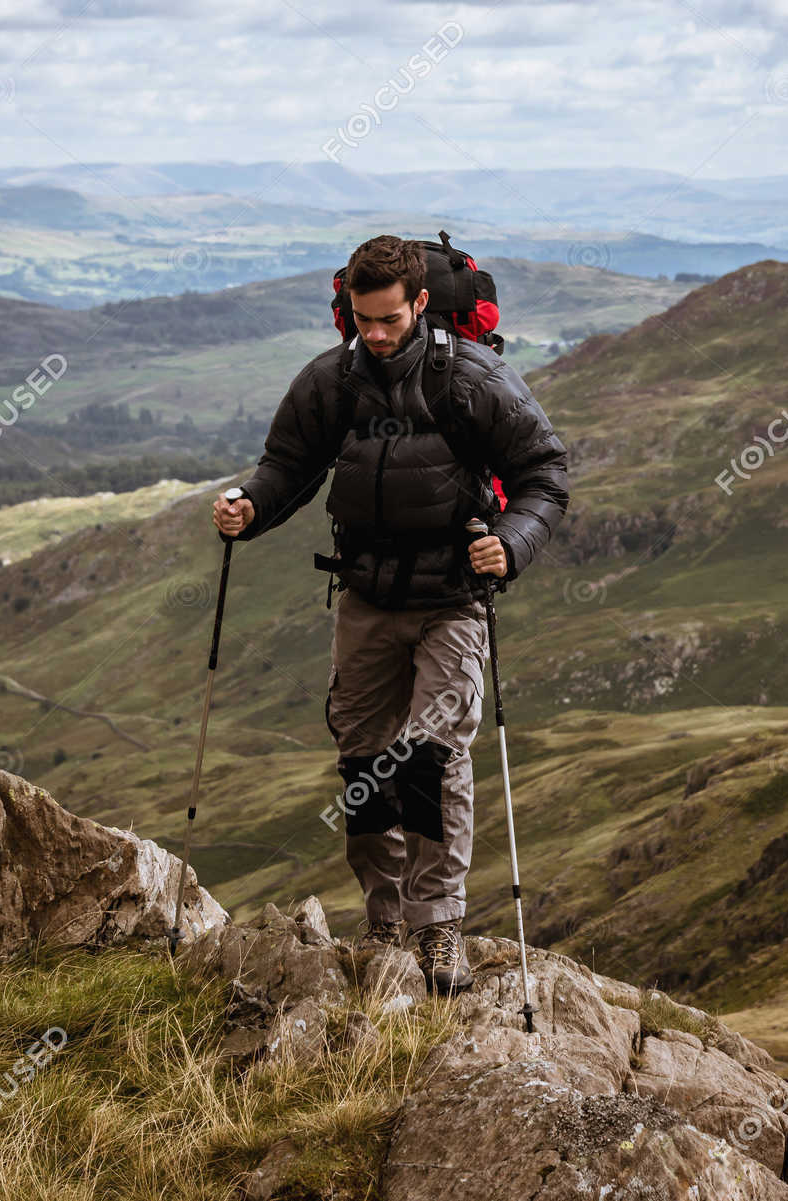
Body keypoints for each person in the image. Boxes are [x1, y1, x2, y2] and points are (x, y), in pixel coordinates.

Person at [211, 234, 569, 994]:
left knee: (431, 757)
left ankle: (439, 929)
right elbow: (289, 469)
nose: (374, 335)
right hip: (367, 596)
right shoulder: (332, 381)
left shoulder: (472, 379)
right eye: (360, 319)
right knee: (366, 762)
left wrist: (511, 543)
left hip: (452, 601)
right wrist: (249, 505)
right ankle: (384, 921)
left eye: (389, 321)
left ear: (420, 305)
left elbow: (544, 472)